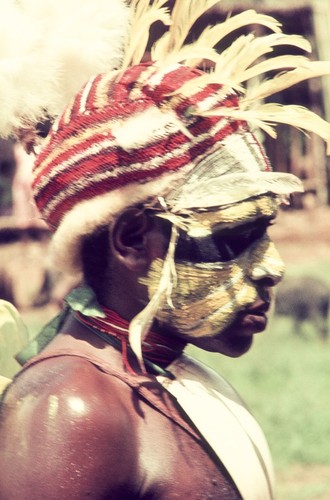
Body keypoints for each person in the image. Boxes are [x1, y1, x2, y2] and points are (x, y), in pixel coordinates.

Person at [1, 1, 330, 499]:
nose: (273, 267)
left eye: (266, 234)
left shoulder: (158, 370)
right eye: (235, 237)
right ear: (132, 241)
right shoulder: (72, 409)